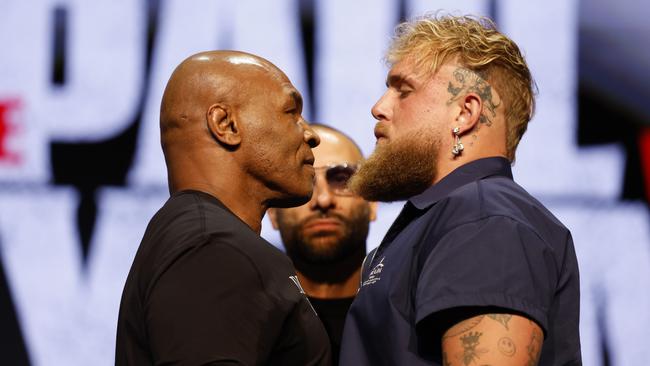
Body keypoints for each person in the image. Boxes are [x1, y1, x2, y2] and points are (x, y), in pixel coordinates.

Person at [339, 14, 581, 366]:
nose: (379, 107)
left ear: (464, 113)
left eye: (403, 90)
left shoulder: (484, 220)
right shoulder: (449, 218)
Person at [115, 50, 331, 365]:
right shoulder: (212, 249)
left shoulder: (198, 238)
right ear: (225, 124)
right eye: (291, 112)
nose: (310, 134)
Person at [267, 124, 377, 365]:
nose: (323, 200)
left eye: (341, 179)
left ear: (372, 203)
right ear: (273, 214)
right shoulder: (250, 322)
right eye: (304, 181)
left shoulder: (407, 313)